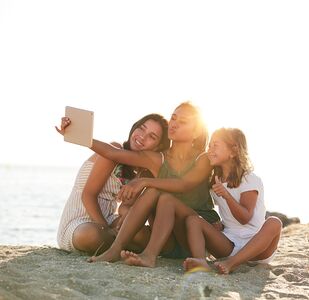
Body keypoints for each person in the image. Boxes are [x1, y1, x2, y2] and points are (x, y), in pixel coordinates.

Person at [83, 102, 220, 264]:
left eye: (182, 122)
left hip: (195, 236)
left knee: (156, 191)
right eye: (173, 118)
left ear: (196, 132)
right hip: (166, 237)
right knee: (149, 202)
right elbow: (113, 153)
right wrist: (78, 134)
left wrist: (145, 181)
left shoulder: (203, 159)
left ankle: (149, 256)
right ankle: (115, 250)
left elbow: (184, 184)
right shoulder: (157, 159)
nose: (174, 124)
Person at [55, 113, 170, 255]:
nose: (142, 136)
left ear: (158, 146)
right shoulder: (115, 150)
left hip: (109, 218)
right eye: (141, 128)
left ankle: (118, 243)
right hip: (80, 220)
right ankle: (119, 244)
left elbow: (125, 208)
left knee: (141, 234)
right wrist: (74, 132)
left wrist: (125, 219)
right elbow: (88, 195)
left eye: (152, 137)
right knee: (93, 235)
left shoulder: (143, 172)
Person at [181, 128, 282, 274]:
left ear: (233, 151)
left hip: (257, 247)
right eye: (209, 146)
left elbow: (245, 218)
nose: (209, 150)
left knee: (274, 222)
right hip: (230, 243)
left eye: (215, 145)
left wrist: (227, 195)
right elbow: (228, 217)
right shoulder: (215, 181)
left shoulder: (249, 179)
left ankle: (232, 263)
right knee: (193, 220)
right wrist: (221, 224)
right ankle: (201, 261)